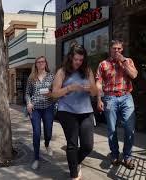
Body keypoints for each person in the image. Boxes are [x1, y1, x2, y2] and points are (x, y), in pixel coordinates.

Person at [51, 44, 97, 180]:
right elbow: (54, 94)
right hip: (67, 112)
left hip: (86, 111)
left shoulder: (87, 71)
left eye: (81, 60)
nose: (78, 62)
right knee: (72, 144)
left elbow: (95, 92)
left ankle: (75, 162)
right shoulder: (62, 72)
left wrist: (90, 89)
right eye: (76, 59)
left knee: (88, 146)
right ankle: (74, 175)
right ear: (71, 57)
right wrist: (69, 88)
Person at [96, 40, 138, 169]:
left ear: (122, 49)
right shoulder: (103, 64)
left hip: (126, 97)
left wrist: (123, 61)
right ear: (110, 49)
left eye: (119, 48)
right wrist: (99, 99)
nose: (117, 51)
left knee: (129, 128)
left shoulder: (128, 61)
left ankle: (127, 156)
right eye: (114, 48)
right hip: (109, 98)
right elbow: (98, 83)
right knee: (111, 129)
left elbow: (134, 75)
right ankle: (114, 154)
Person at [25, 56, 55, 170]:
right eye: (39, 62)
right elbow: (27, 93)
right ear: (36, 64)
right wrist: (28, 103)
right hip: (35, 109)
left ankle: (47, 144)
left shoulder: (51, 76)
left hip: (48, 107)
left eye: (43, 61)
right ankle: (36, 158)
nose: (41, 63)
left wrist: (51, 93)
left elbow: (55, 91)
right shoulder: (31, 77)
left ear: (45, 63)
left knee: (48, 132)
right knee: (36, 133)